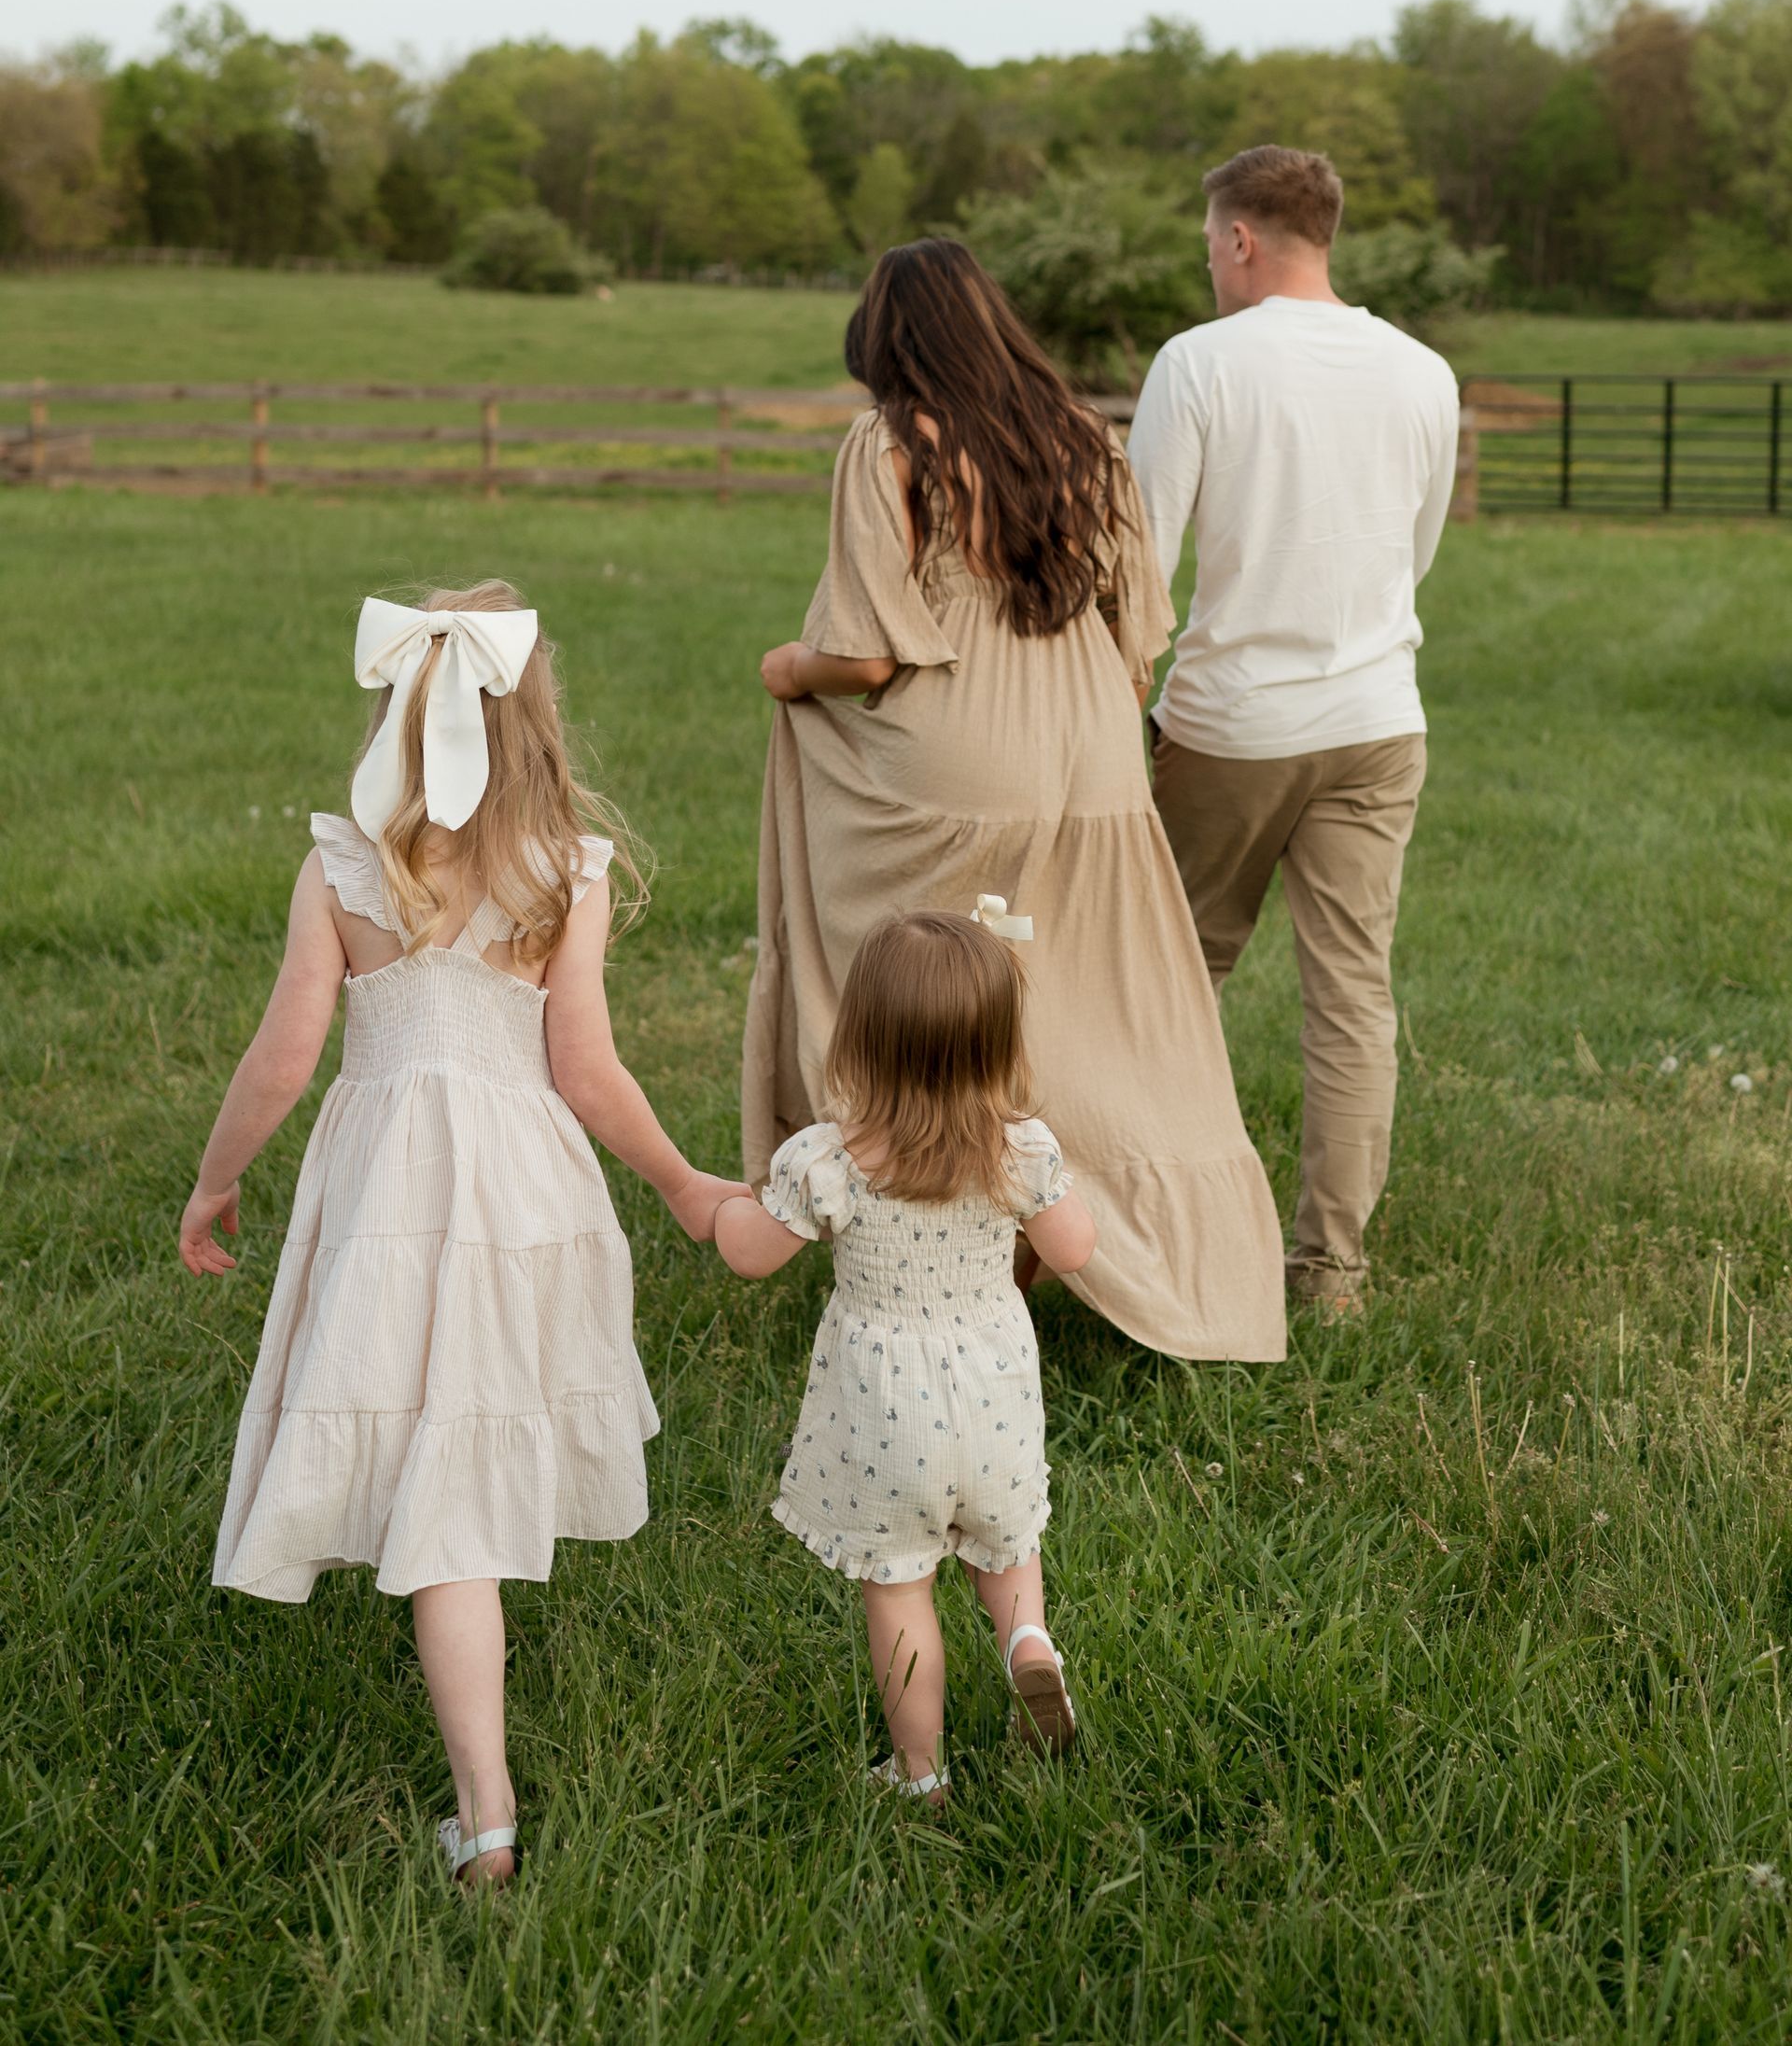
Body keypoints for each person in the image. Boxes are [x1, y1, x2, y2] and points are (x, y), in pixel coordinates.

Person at [179, 582, 746, 1885]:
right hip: (523, 1195)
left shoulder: (342, 864)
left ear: (396, 710)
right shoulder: (566, 872)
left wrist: (216, 1179)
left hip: (389, 1189)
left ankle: (485, 1809)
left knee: (439, 1488)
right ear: (537, 723)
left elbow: (285, 1055)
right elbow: (589, 1070)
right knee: (468, 1461)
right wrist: (675, 1182)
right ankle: (484, 1804)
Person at [741, 235, 1285, 1366]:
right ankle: (1165, 1266)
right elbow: (1142, 638)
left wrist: (787, 669)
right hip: (1093, 755)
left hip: (953, 756)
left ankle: (913, 1234)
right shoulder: (1090, 441)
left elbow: (868, 655)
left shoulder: (892, 442)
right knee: (1093, 1012)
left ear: (888, 337)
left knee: (917, 993)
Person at [1127, 147, 1460, 1317]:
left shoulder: (1199, 364)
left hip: (1230, 727)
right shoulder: (1425, 371)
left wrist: (1122, 704)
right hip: (1379, 719)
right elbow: (1415, 556)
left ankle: (1155, 1241)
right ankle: (1332, 1270)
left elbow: (1140, 567)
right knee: (1352, 994)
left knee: (1168, 983)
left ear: (1238, 239)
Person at [720, 908, 1097, 1800]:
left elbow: (748, 1252)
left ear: (861, 1038)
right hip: (995, 1397)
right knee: (1006, 1553)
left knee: (900, 1590)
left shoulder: (831, 1161)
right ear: (998, 1045)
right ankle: (1028, 1646)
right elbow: (1074, 1247)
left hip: (887, 1414)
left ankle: (920, 1771)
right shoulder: (1017, 1149)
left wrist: (726, 1203)